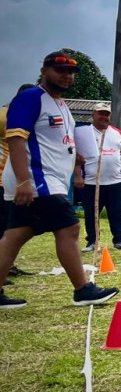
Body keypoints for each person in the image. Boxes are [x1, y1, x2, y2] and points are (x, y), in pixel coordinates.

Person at [0, 52, 119, 309]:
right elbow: (16, 138)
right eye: (60, 70)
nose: (67, 76)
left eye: (71, 72)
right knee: (70, 227)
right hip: (37, 178)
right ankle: (83, 289)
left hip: (47, 179)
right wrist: (23, 180)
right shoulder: (31, 97)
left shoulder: (61, 103)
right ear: (44, 70)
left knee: (15, 235)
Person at [75, 103, 121, 252]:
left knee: (117, 212)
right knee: (91, 213)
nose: (104, 117)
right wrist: (77, 176)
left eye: (106, 114)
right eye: (100, 113)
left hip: (114, 181)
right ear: (93, 115)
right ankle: (92, 242)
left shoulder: (117, 133)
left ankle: (120, 240)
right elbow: (75, 157)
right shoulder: (82, 133)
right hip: (91, 182)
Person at [1, 83, 39, 281]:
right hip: (7, 179)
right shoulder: (6, 115)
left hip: (14, 178)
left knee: (11, 228)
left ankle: (8, 267)